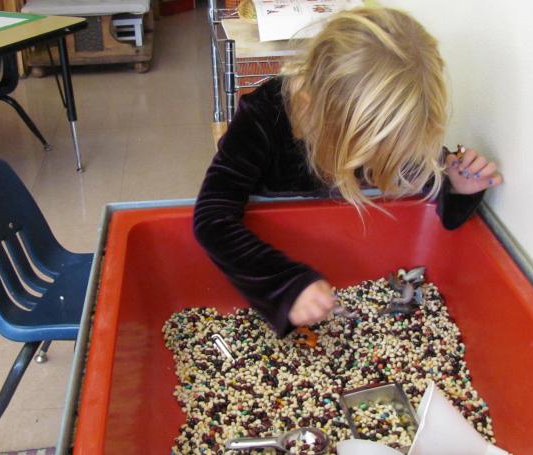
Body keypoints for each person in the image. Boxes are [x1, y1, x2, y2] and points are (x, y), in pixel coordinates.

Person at [193, 7, 503, 338]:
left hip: (333, 250)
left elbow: (430, 200)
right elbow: (212, 219)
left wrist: (454, 188)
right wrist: (284, 286)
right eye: (367, 147)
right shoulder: (259, 120)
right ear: (316, 109)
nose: (377, 158)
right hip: (265, 250)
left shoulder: (379, 131)